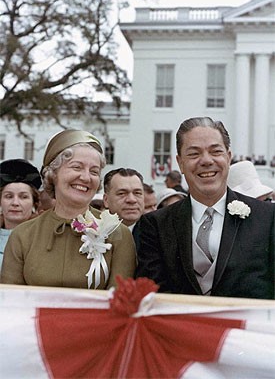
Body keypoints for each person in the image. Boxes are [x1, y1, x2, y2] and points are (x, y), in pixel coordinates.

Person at [136, 117, 275, 299]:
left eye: (215, 151)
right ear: (180, 163)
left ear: (228, 157)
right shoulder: (155, 224)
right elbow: (151, 295)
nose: (206, 160)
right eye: (194, 154)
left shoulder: (268, 218)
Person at [1, 129, 136, 289]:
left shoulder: (118, 234)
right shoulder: (23, 235)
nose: (86, 177)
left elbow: (119, 302)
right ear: (53, 174)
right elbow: (10, 301)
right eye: (77, 167)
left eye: (94, 171)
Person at [0, 159, 42, 270]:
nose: (15, 203)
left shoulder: (43, 237)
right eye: (9, 196)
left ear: (34, 202)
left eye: (23, 197)